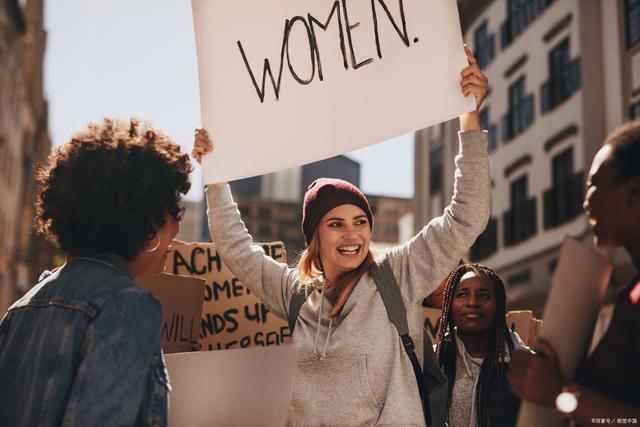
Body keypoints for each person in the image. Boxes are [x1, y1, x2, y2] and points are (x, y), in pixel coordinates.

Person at [193, 46, 490, 426]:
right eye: (336, 224)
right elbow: (235, 248)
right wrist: (216, 177)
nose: (352, 234)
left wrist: (469, 117)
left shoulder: (399, 275)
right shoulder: (293, 293)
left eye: (360, 221)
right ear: (315, 235)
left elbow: (468, 215)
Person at [0, 118, 192, 426]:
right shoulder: (127, 305)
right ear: (148, 221)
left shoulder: (20, 308)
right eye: (172, 205)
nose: (178, 223)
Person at [507, 121, 640, 424]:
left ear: (633, 191)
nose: (585, 202)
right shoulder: (631, 292)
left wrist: (559, 394)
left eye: (594, 185)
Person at [435, 263, 532, 427]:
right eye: (462, 294)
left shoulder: (524, 364)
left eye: (484, 296)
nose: (472, 302)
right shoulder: (434, 360)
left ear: (498, 305)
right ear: (449, 304)